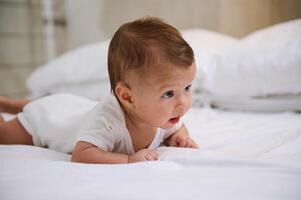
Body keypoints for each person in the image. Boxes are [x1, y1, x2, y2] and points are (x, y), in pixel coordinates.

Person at [0, 17, 198, 164]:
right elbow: (81, 154)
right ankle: (8, 106)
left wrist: (179, 136)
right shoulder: (108, 121)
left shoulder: (165, 115)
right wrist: (128, 160)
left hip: (69, 106)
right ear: (127, 97)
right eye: (169, 94)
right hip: (47, 121)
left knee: (43, 104)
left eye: (187, 88)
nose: (183, 103)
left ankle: (9, 103)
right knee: (5, 133)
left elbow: (177, 127)